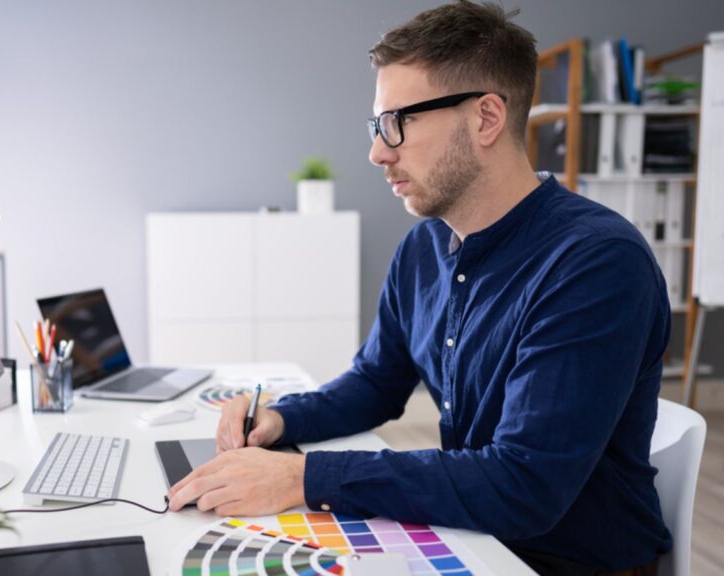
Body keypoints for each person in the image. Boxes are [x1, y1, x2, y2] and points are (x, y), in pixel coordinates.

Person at [167, 2, 671, 574]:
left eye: (396, 123)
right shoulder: (423, 247)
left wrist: (301, 476)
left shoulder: (594, 262)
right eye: (376, 126)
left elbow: (524, 484)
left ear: (485, 118)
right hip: (475, 536)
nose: (378, 152)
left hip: (563, 559)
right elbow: (376, 384)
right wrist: (281, 422)